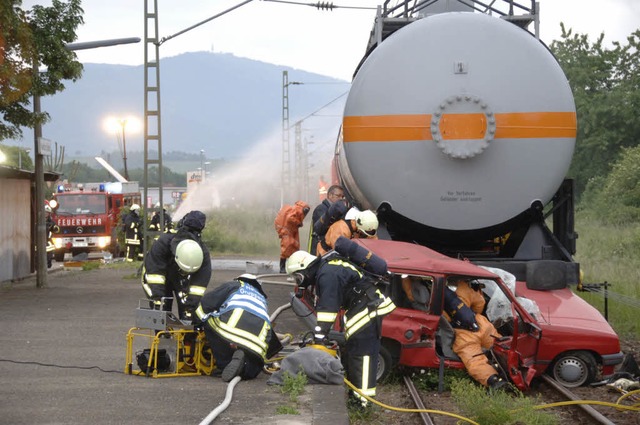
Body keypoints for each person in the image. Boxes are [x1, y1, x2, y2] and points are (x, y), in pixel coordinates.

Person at [285, 250, 396, 408]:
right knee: (354, 353)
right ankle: (357, 397)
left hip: (366, 310)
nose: (299, 282)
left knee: (361, 357)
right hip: (363, 308)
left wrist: (319, 337)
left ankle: (363, 403)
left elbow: (327, 310)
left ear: (304, 269)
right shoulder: (327, 269)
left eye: (298, 277)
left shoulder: (327, 275)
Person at [194, 274, 282, 382]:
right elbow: (270, 335)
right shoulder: (262, 299)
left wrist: (196, 324)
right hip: (257, 344)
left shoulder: (233, 285)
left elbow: (205, 304)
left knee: (207, 319)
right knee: (254, 367)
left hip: (230, 332)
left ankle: (224, 365)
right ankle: (245, 366)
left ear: (239, 280)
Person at [141, 210, 212, 321]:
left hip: (179, 277)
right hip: (155, 275)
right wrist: (158, 297)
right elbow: (155, 273)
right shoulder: (163, 243)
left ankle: (187, 336)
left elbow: (199, 284)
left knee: (188, 312)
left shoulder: (201, 253)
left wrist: (191, 306)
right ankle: (163, 335)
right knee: (161, 309)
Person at [444, 278, 507, 390]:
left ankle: (494, 380)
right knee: (501, 346)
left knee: (475, 361)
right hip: (481, 325)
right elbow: (480, 303)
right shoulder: (463, 288)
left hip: (463, 335)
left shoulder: (433, 297)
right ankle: (512, 365)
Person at [308, 184, 345, 255]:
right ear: (330, 195)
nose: (341, 199)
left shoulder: (339, 211)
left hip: (329, 250)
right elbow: (321, 229)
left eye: (342, 196)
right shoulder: (321, 209)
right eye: (338, 196)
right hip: (318, 251)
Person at [274, 200, 310, 273]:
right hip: (287, 231)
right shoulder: (298, 210)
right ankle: (282, 268)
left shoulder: (297, 209)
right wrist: (298, 223)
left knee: (294, 248)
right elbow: (290, 218)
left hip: (292, 231)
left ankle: (291, 266)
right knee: (286, 248)